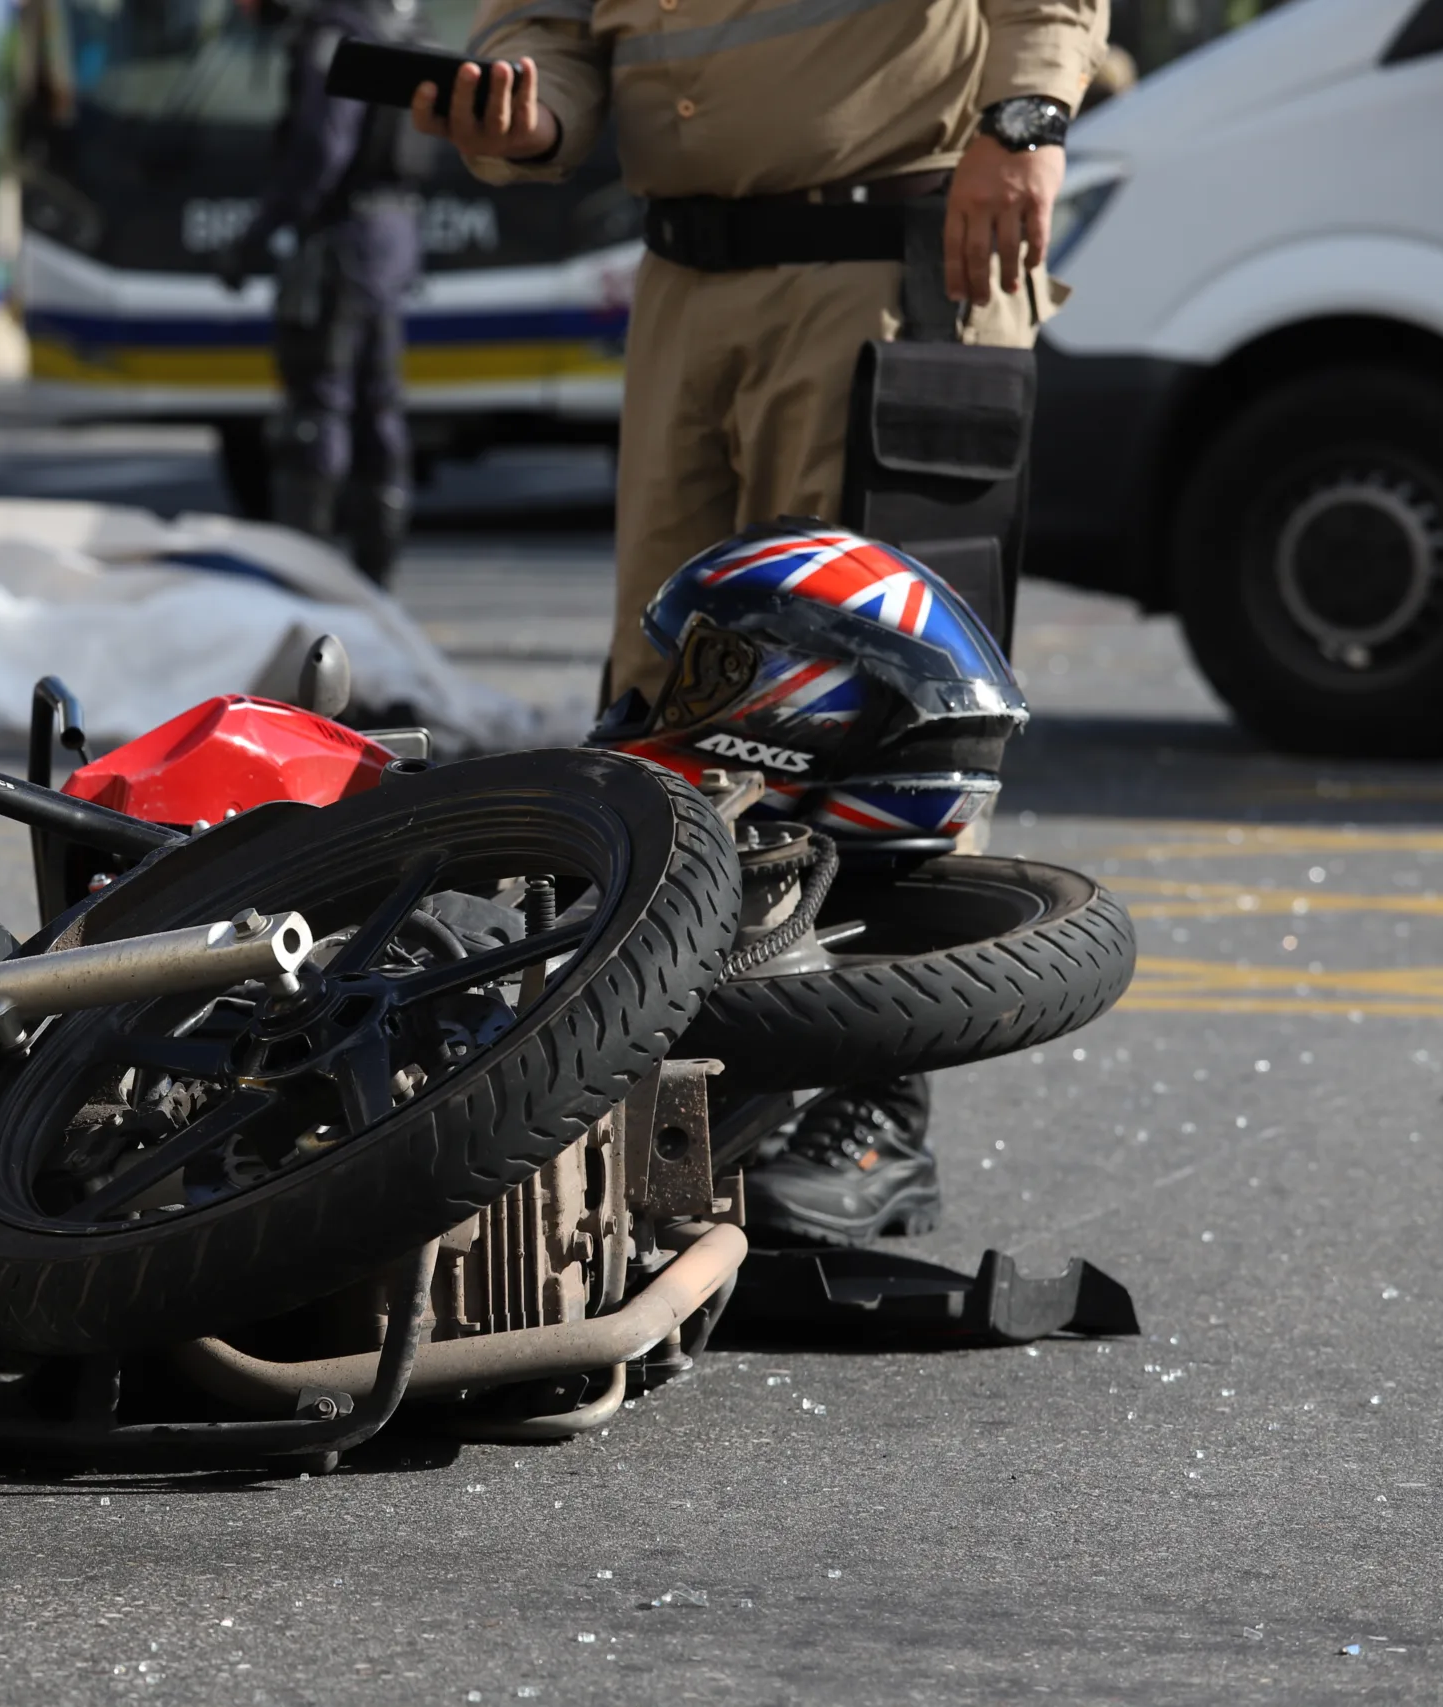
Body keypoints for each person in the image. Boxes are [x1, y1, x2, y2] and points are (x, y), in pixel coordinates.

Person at [415, 0, 1104, 1245]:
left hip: (888, 256)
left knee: (877, 713)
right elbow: (554, 30)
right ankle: (691, 1100)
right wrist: (522, 108)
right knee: (667, 707)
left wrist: (1022, 119)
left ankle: (872, 1115)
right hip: (685, 286)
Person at [217, 0, 429, 585]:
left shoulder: (334, 35)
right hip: (393, 237)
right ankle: (376, 583)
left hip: (342, 244)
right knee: (379, 406)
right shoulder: (400, 22)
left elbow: (321, 151)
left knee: (317, 409)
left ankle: (304, 579)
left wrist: (257, 237)